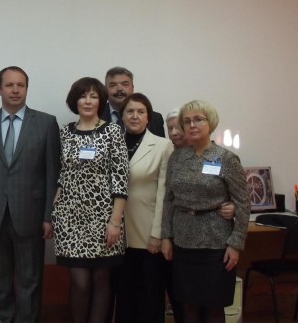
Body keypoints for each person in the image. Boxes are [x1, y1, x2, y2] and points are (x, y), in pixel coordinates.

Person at [0, 66, 61, 323]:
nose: (15, 90)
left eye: (20, 85)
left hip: (31, 214)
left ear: (26, 89)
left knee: (29, 279)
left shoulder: (46, 123)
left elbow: (52, 173)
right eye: (9, 85)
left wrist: (48, 216)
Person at [161, 100, 250, 323]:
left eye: (198, 119)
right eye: (187, 121)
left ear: (211, 122)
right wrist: (166, 236)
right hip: (183, 243)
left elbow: (243, 202)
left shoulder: (226, 159)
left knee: (213, 307)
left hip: (216, 244)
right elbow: (168, 199)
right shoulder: (177, 158)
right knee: (188, 306)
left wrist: (236, 244)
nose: (192, 125)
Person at [52, 77, 129, 323]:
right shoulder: (65, 132)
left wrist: (115, 221)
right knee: (80, 282)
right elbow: (63, 170)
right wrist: (58, 193)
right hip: (70, 218)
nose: (87, 101)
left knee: (101, 279)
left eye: (93, 96)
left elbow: (120, 178)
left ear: (101, 101)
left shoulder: (113, 131)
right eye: (83, 96)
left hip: (103, 217)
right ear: (74, 101)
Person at [112, 93, 173, 323]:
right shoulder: (113, 143)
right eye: (129, 111)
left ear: (148, 117)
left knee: (149, 296)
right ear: (122, 116)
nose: (134, 116)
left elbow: (165, 194)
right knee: (124, 296)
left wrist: (158, 234)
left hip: (148, 233)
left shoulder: (162, 146)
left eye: (140, 112)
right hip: (117, 234)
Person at [101, 67, 165, 137]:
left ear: (132, 88)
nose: (119, 89)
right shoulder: (95, 116)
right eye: (113, 85)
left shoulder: (155, 119)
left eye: (125, 84)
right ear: (105, 90)